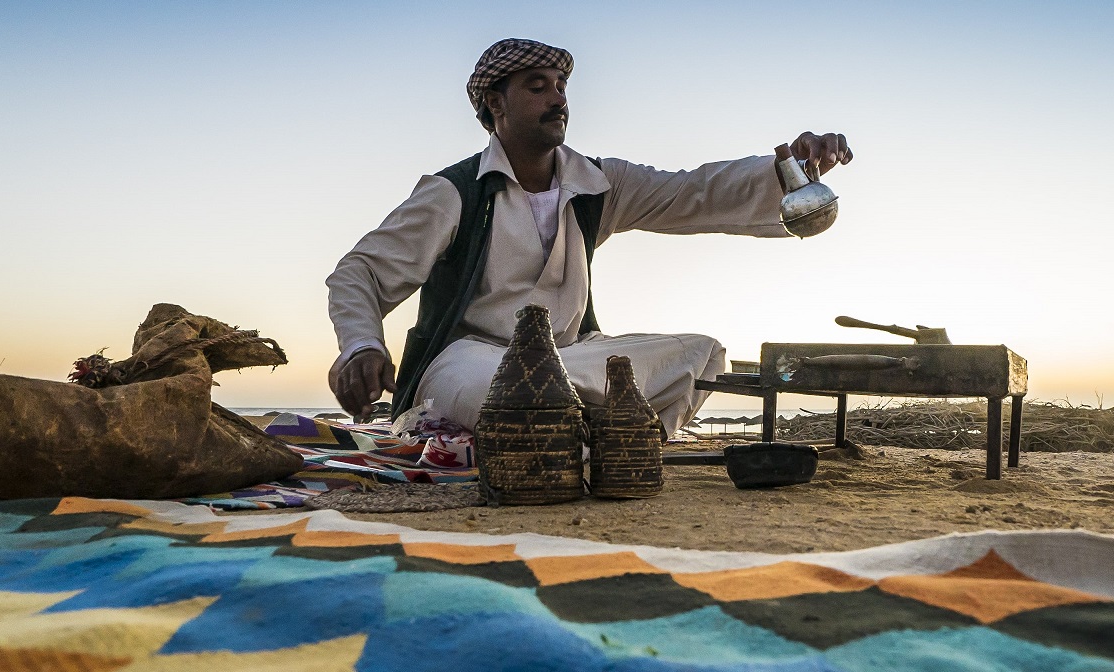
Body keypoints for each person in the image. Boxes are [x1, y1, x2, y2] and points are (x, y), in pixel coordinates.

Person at [326, 38, 852, 434]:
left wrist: (788, 171)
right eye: (537, 87)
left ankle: (579, 429)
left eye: (561, 87)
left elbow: (695, 191)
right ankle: (583, 427)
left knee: (701, 356)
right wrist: (361, 346)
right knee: (501, 391)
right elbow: (361, 272)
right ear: (496, 104)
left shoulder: (599, 184)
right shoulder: (454, 192)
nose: (558, 99)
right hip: (472, 364)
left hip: (569, 359)